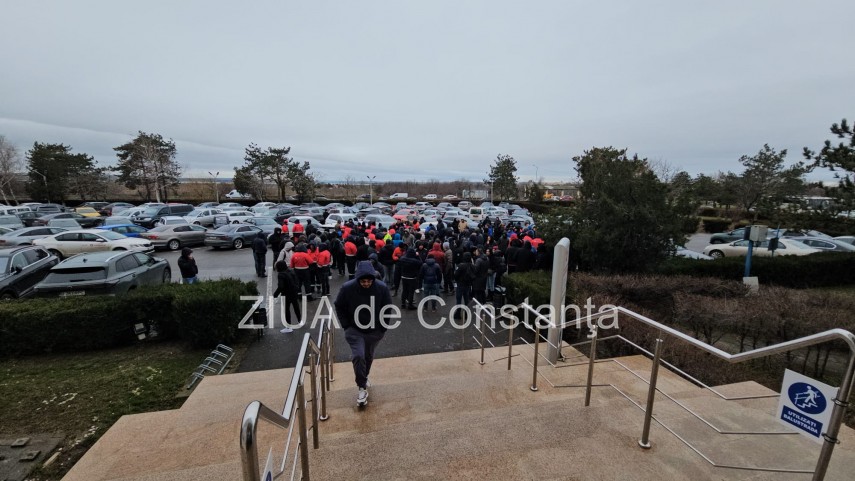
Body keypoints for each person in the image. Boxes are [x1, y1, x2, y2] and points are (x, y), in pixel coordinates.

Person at [334, 261, 393, 406]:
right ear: (358, 279)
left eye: (369, 281)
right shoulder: (347, 288)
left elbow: (387, 308)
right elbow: (339, 305)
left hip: (375, 330)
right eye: (363, 281)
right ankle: (361, 387)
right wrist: (346, 325)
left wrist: (383, 327)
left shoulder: (381, 288)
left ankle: (364, 378)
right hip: (354, 329)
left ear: (373, 279)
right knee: (358, 356)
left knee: (368, 356)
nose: (366, 283)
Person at [273, 260, 301, 332]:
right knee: (296, 307)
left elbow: (281, 286)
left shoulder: (281, 275)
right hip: (294, 292)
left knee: (286, 310)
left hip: (286, 294)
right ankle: (300, 321)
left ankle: (288, 327)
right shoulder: (291, 271)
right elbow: (297, 281)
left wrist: (275, 295)